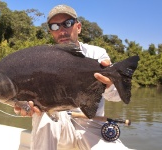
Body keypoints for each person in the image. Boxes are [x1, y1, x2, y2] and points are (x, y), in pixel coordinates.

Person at [14, 4, 132, 150]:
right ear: (51, 31)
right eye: (55, 26)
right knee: (44, 114)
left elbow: (116, 97)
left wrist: (108, 84)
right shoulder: (42, 60)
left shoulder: (97, 55)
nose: (62, 31)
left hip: (92, 126)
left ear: (78, 27)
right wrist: (23, 104)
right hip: (58, 125)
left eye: (67, 24)